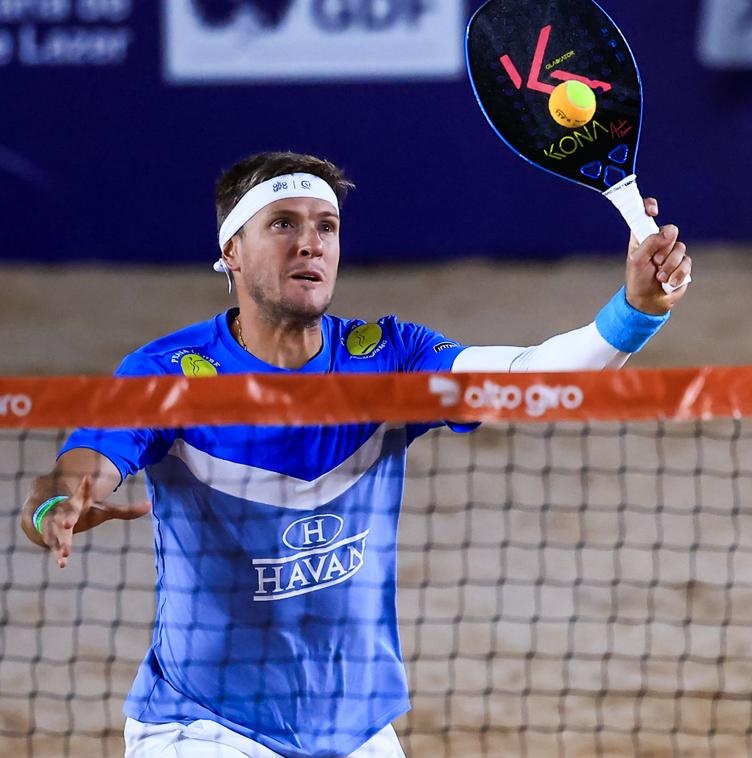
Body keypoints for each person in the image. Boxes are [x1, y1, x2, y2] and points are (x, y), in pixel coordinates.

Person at [19, 150, 692, 758]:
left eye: (326, 226)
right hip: (204, 726)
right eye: (283, 224)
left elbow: (528, 375)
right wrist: (58, 500)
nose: (310, 242)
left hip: (355, 726)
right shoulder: (167, 371)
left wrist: (635, 309)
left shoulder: (389, 356)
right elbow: (85, 462)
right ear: (232, 250)